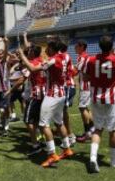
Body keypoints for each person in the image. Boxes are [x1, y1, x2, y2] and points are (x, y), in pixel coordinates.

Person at [18, 38, 74, 168]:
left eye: (47, 48)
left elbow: (32, 68)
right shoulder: (65, 56)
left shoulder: (53, 60)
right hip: (61, 94)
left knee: (43, 125)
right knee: (59, 123)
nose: (45, 50)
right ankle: (67, 149)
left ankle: (52, 154)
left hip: (52, 95)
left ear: (52, 49)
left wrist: (22, 55)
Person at [83, 35, 115, 173]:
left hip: (95, 98)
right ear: (112, 46)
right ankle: (113, 161)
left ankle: (93, 159)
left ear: (99, 46)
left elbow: (85, 76)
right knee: (113, 131)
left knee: (98, 129)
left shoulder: (91, 59)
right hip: (111, 100)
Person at [74, 39, 95, 142]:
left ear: (81, 46)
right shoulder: (88, 57)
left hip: (85, 86)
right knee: (86, 108)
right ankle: (92, 129)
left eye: (76, 46)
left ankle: (87, 133)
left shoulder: (82, 57)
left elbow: (75, 71)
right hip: (89, 85)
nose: (74, 47)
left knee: (82, 108)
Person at [59, 41, 77, 147]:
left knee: (63, 112)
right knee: (62, 112)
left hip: (67, 86)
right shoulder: (66, 56)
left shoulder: (63, 57)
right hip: (67, 86)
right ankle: (68, 134)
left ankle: (70, 136)